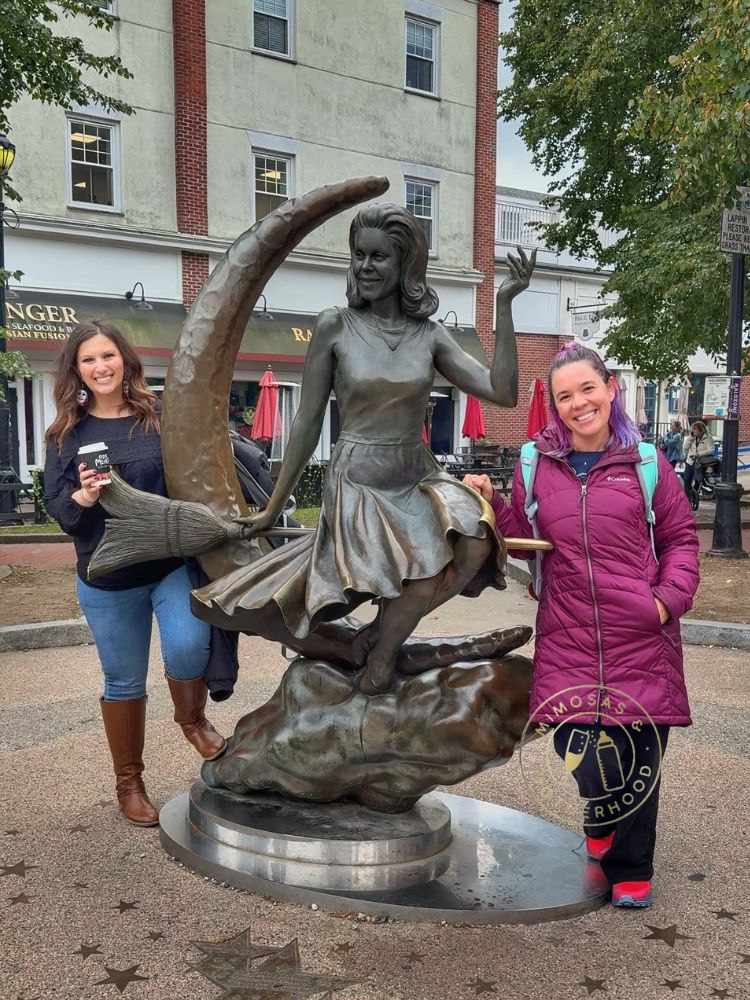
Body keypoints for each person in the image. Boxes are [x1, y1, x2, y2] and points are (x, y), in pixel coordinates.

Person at [192, 203, 535, 695]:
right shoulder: (335, 325)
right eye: (359, 256)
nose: (366, 267)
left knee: (475, 537)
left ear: (406, 266)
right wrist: (272, 506)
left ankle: (381, 641)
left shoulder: (430, 335)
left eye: (379, 257)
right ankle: (381, 661)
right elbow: (308, 421)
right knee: (415, 572)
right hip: (359, 478)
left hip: (416, 473)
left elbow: (502, 392)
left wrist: (503, 306)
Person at [464, 342, 699, 909]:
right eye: (564, 396)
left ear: (609, 388)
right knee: (580, 746)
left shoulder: (646, 462)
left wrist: (664, 603)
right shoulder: (533, 462)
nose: (578, 403)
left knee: (639, 752)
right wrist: (490, 504)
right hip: (567, 634)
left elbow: (680, 540)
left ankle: (631, 867)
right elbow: (525, 531)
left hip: (640, 636)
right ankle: (600, 816)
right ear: (555, 405)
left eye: (586, 389)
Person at [44, 320, 226, 828]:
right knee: (123, 680)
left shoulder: (158, 417)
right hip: (106, 578)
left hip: (168, 566)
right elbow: (61, 511)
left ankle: (192, 719)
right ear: (76, 370)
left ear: (124, 360)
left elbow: (194, 477)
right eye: (88, 360)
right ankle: (130, 781)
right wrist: (83, 496)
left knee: (190, 646)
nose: (100, 367)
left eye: (108, 356)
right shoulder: (66, 434)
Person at [683, 419, 715, 501]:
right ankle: (688, 498)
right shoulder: (692, 438)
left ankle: (694, 497)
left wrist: (699, 454)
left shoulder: (708, 438)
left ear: (701, 429)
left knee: (698, 480)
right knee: (687, 480)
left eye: (695, 429)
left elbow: (711, 450)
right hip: (690, 462)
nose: (693, 431)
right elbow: (685, 447)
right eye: (692, 429)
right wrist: (690, 437)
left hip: (701, 463)